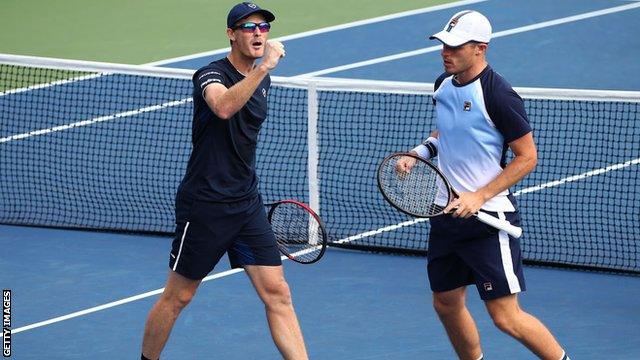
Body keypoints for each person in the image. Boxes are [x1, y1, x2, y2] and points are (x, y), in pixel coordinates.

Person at [399, 10, 570, 360]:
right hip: (446, 214)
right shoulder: (442, 85)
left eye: (455, 46)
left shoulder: (499, 95)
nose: (446, 52)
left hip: (487, 221)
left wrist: (479, 196)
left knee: (505, 317)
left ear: (480, 48)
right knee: (446, 303)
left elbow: (527, 157)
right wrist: (419, 153)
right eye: (443, 45)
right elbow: (445, 132)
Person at [140, 2, 308, 359]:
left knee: (278, 293)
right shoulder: (209, 75)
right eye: (249, 27)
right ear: (231, 34)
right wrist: (263, 69)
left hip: (246, 203)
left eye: (264, 28)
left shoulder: (264, 80)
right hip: (206, 204)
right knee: (179, 296)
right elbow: (223, 107)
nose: (258, 34)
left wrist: (262, 72)